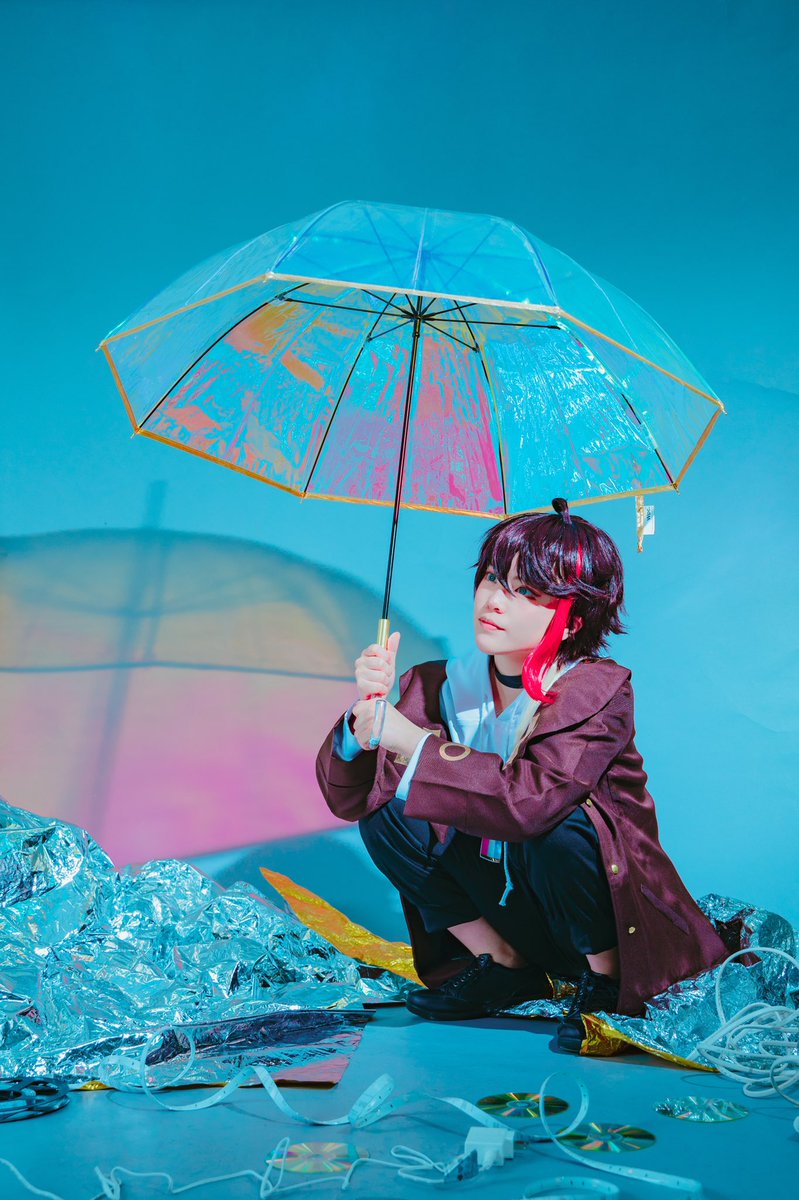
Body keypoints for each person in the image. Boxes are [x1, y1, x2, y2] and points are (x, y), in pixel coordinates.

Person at [315, 499, 728, 1052]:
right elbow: (350, 800)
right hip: (508, 906)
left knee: (563, 824)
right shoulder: (438, 684)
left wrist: (412, 741)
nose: (493, 600)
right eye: (492, 578)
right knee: (385, 809)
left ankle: (605, 982)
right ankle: (503, 965)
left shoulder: (595, 690)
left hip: (603, 917)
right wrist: (362, 723)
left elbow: (531, 804)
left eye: (526, 591)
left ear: (573, 618)